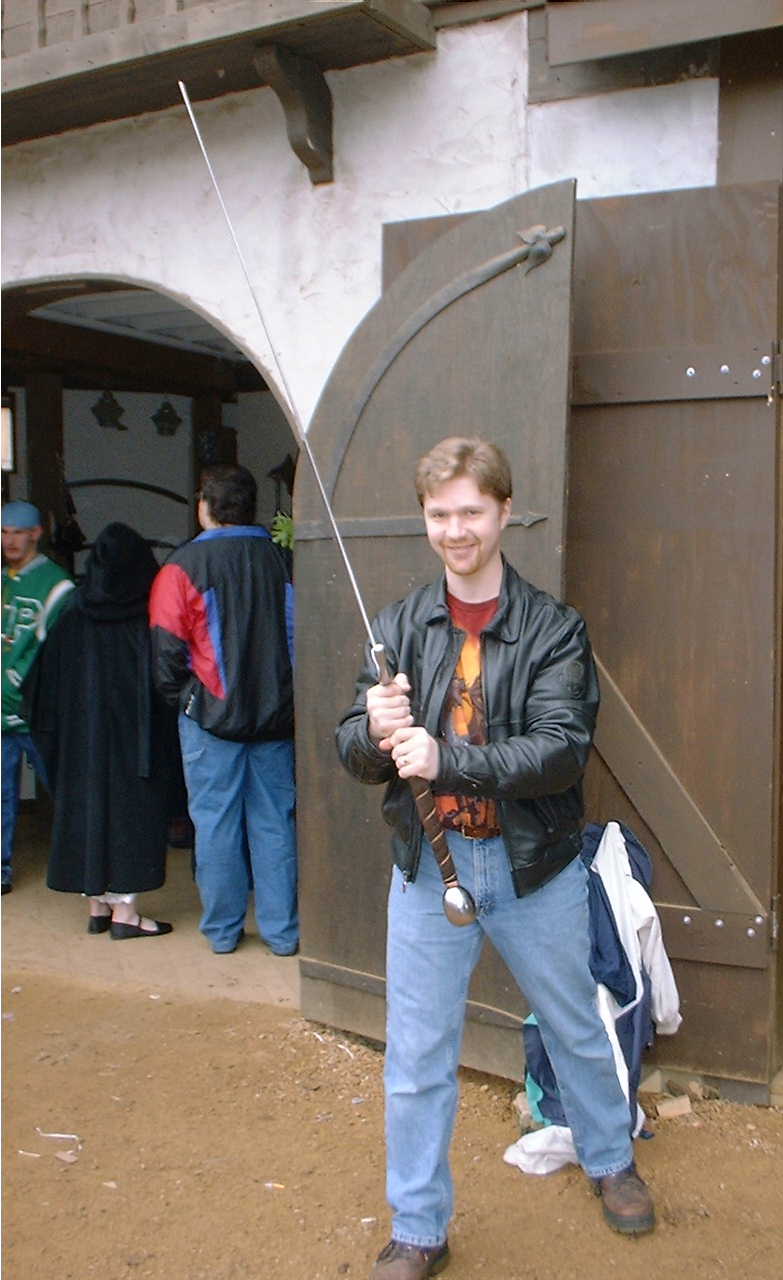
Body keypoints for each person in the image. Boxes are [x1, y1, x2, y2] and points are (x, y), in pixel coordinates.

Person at [337, 437, 654, 1280]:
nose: (456, 530)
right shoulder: (402, 624)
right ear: (426, 520)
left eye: (471, 511)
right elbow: (353, 746)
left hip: (532, 868)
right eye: (440, 514)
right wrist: (373, 730)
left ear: (505, 511)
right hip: (427, 871)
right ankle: (418, 1227)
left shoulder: (553, 628)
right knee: (416, 1054)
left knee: (576, 1026)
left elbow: (559, 752)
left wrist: (446, 759)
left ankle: (611, 1160)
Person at [149, 464, 298, 956]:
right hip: (277, 718)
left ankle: (223, 932)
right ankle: (282, 933)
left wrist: (193, 703)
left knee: (215, 826)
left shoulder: (181, 567)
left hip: (210, 721)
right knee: (275, 824)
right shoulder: (284, 560)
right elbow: (303, 641)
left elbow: (166, 656)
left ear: (205, 507)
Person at [26, 523, 175, 937]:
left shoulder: (73, 616)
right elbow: (165, 684)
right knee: (130, 820)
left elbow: (41, 689)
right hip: (133, 746)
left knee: (87, 816)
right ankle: (126, 917)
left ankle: (97, 907)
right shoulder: (143, 618)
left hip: (80, 746)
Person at [2, 499, 73, 895]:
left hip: (39, 713)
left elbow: (59, 654)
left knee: (64, 789)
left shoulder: (58, 586)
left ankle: (80, 863)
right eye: (4, 531)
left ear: (36, 533)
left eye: (18, 531)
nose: (9, 540)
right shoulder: (2, 580)